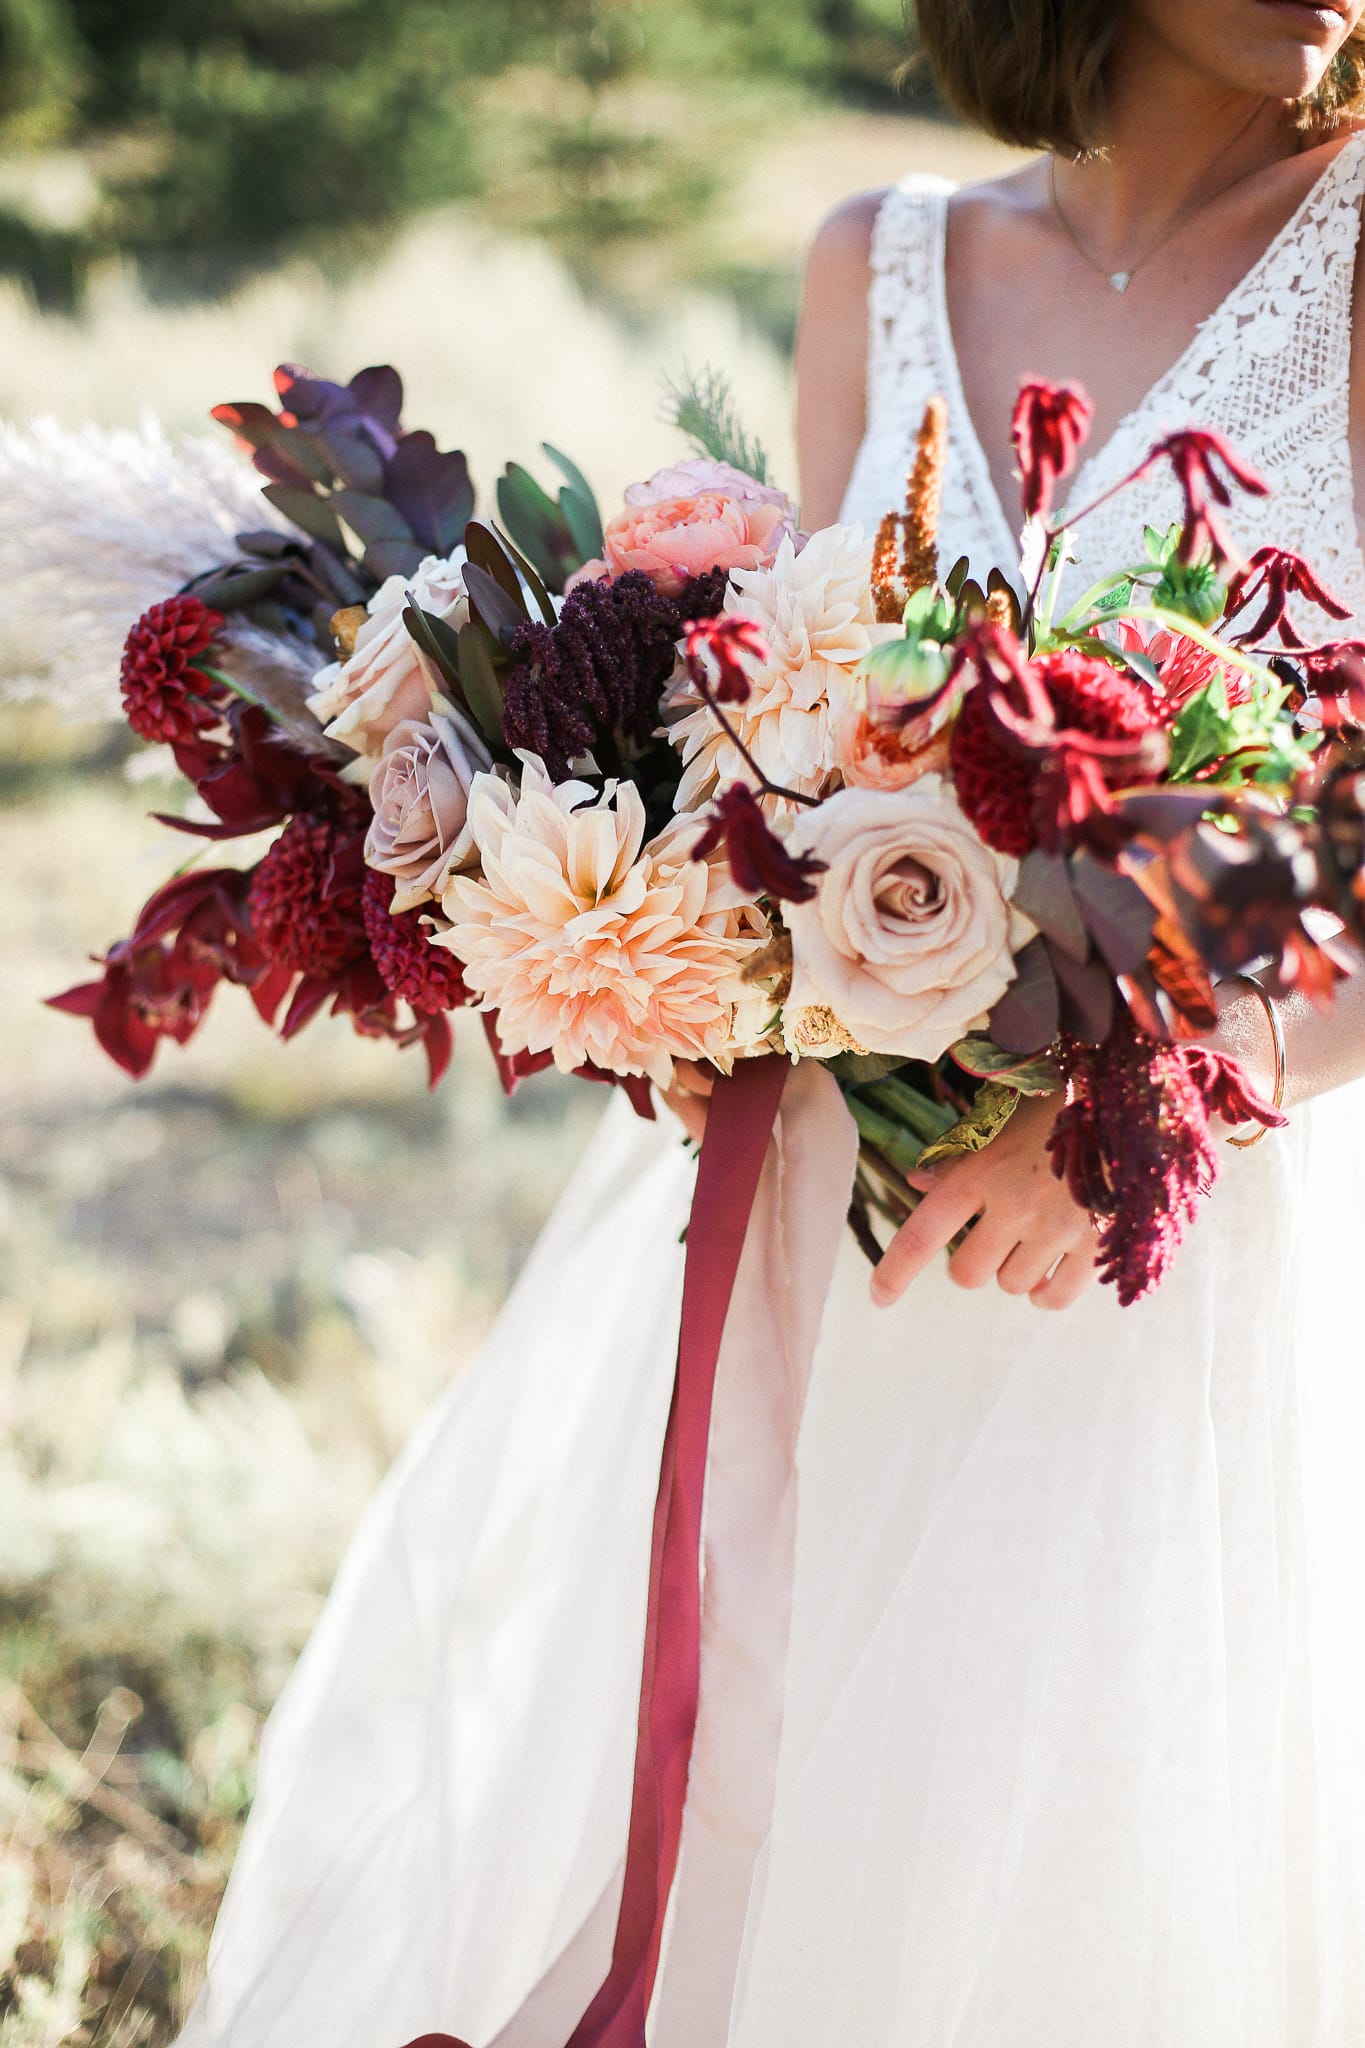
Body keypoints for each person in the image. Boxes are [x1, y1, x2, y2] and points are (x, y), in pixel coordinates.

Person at [179, 3, 1365, 2042]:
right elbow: (789, 733)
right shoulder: (873, 261)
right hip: (835, 1200)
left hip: (1196, 1232)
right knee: (787, 1805)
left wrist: (1154, 1122)